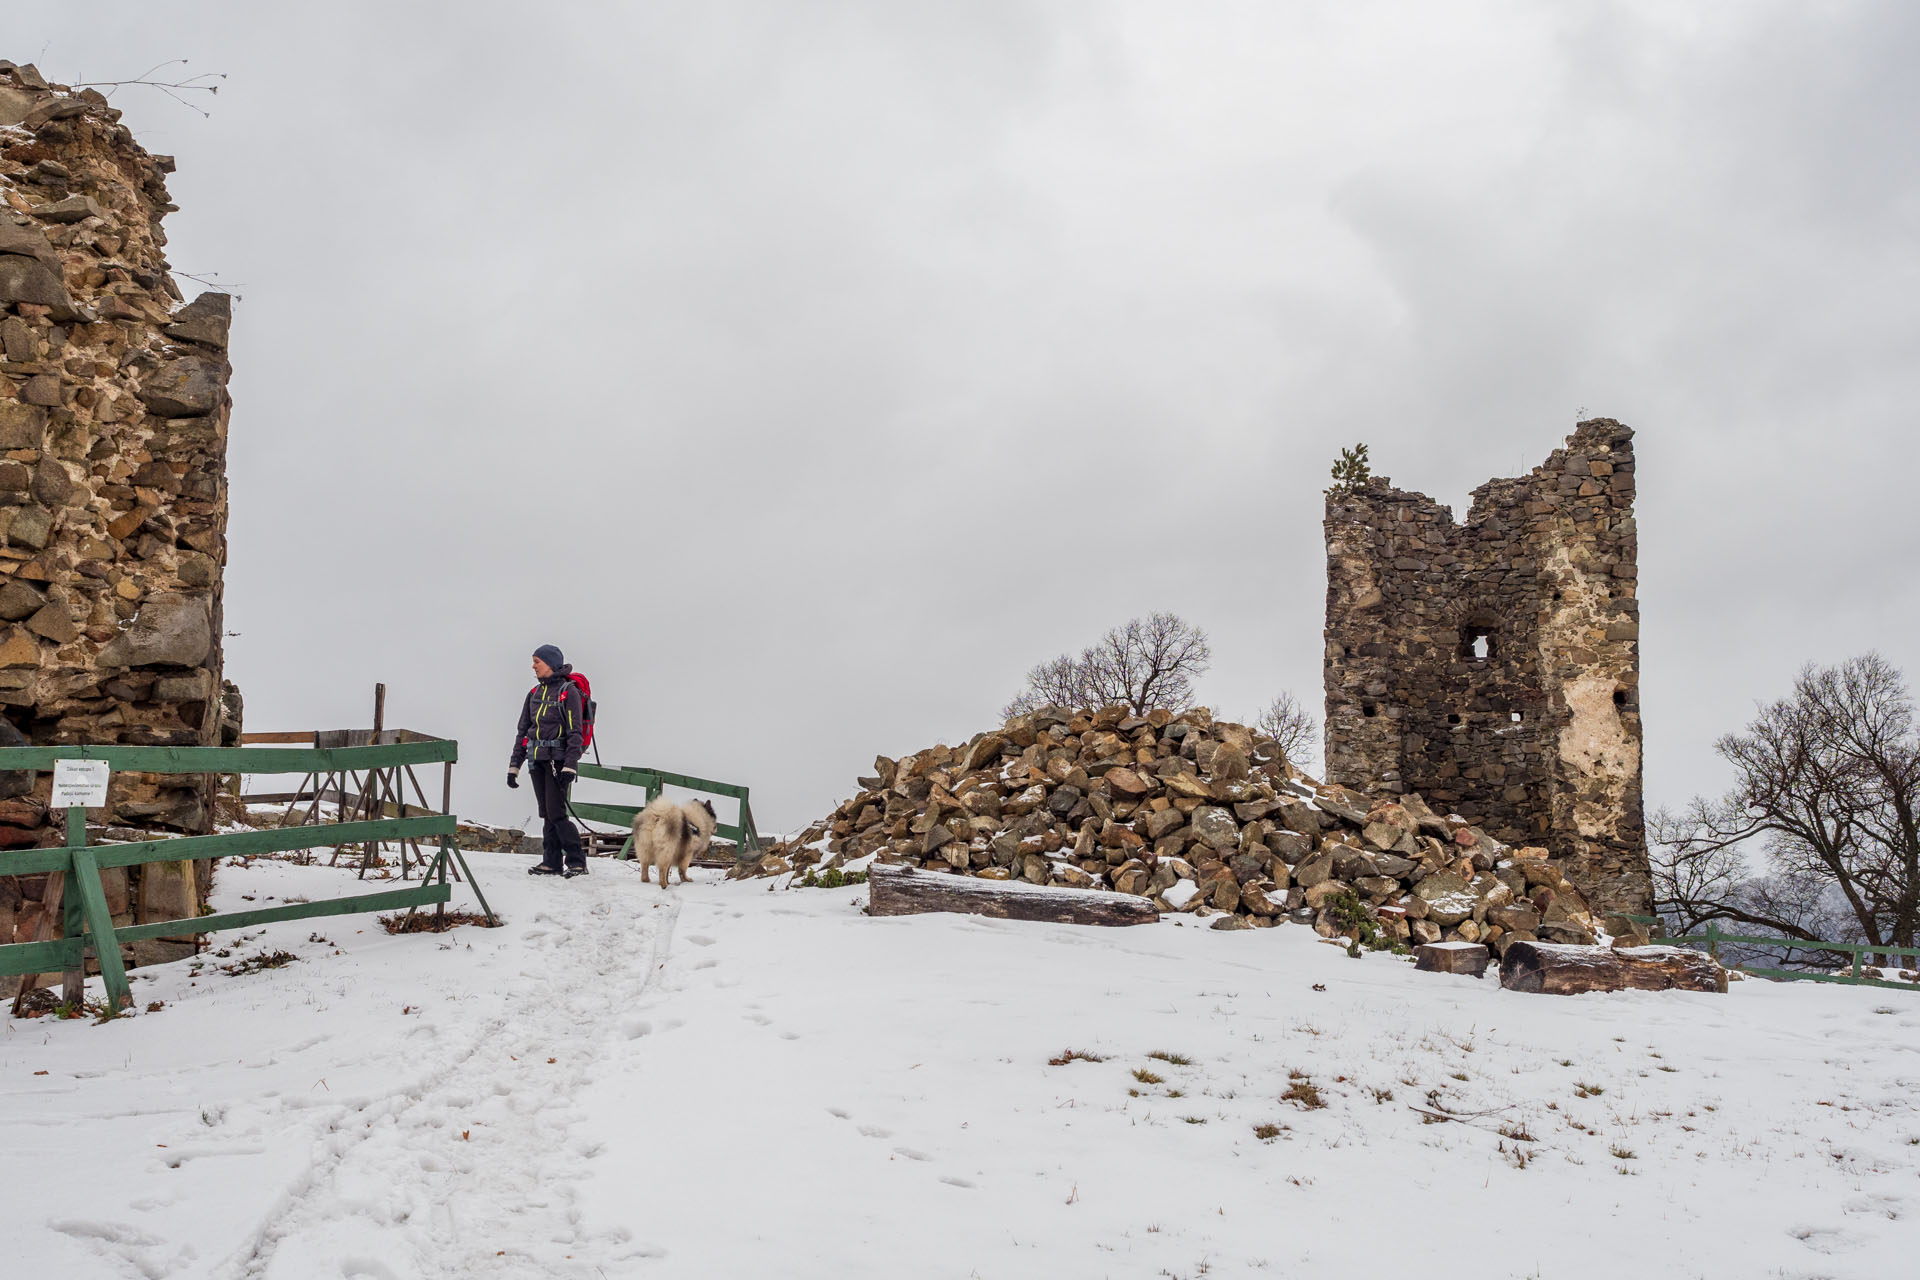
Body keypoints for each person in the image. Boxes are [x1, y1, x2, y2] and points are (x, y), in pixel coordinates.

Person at [508, 644, 588, 877]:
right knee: (546, 812)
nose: (533, 666)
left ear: (551, 664)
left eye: (537, 662)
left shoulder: (568, 691)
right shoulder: (533, 694)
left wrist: (570, 765)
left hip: (558, 762)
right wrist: (514, 767)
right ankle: (551, 861)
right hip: (536, 760)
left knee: (556, 812)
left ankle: (577, 860)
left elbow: (575, 733)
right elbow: (523, 732)